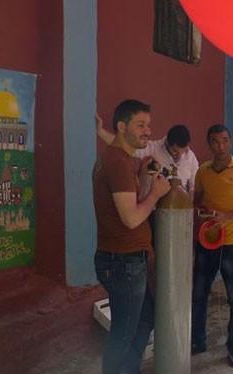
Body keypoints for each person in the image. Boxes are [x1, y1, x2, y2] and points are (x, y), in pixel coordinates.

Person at [92, 99, 170, 374]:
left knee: (144, 318)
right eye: (140, 125)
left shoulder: (121, 158)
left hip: (124, 260)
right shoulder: (118, 164)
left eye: (148, 125)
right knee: (123, 335)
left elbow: (130, 198)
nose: (147, 131)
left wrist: (144, 176)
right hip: (123, 263)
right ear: (122, 126)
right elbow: (132, 218)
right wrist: (155, 195)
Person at [190, 124, 233, 367]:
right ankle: (198, 341)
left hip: (232, 243)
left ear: (230, 142)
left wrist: (227, 217)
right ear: (209, 144)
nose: (220, 146)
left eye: (224, 140)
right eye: (214, 141)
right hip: (206, 241)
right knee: (198, 294)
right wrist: (203, 211)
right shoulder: (202, 171)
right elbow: (196, 200)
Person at [96, 113, 199, 197]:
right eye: (175, 152)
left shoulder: (191, 157)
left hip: (181, 211)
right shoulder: (151, 149)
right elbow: (123, 145)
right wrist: (100, 131)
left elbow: (194, 187)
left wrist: (188, 208)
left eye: (183, 151)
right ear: (167, 142)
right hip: (154, 210)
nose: (180, 156)